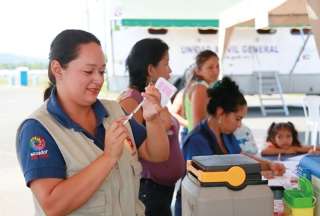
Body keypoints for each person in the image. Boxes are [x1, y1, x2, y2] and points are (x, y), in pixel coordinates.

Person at [16, 29, 170, 216]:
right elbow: (52, 205)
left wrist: (152, 120)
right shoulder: (38, 129)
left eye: (102, 71)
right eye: (88, 71)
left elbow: (157, 155)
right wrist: (108, 158)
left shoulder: (114, 111)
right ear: (57, 69)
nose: (98, 80)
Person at [175, 77, 285, 216]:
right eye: (237, 119)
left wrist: (268, 164)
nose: (239, 125)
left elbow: (241, 158)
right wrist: (256, 176)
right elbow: (208, 181)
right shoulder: (197, 141)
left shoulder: (226, 134)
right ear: (220, 112)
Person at [119, 38, 185, 216]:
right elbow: (133, 149)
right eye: (166, 63)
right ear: (150, 69)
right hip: (148, 192)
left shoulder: (152, 98)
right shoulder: (132, 101)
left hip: (161, 192)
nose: (170, 71)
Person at [183, 50, 220, 132]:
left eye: (217, 66)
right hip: (200, 142)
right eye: (210, 67)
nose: (216, 71)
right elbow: (199, 124)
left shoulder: (200, 86)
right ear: (198, 71)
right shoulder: (200, 88)